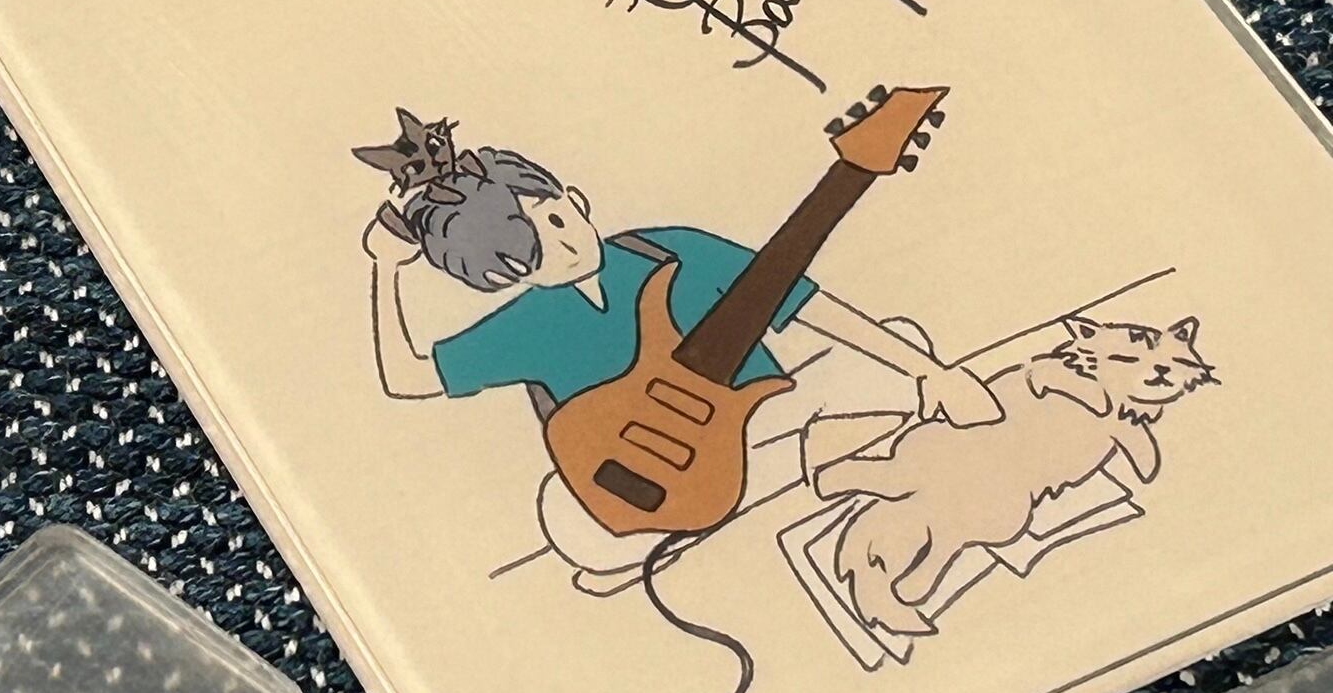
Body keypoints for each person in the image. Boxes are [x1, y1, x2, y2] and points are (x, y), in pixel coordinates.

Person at [362, 138, 996, 590]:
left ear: (575, 199)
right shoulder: (524, 325)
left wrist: (928, 370)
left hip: (767, 416)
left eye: (555, 220)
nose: (561, 248)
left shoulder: (673, 251)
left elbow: (806, 305)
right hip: (648, 469)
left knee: (898, 342)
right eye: (529, 258)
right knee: (564, 515)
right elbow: (407, 378)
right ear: (502, 279)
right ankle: (815, 460)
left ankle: (791, 469)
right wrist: (384, 268)